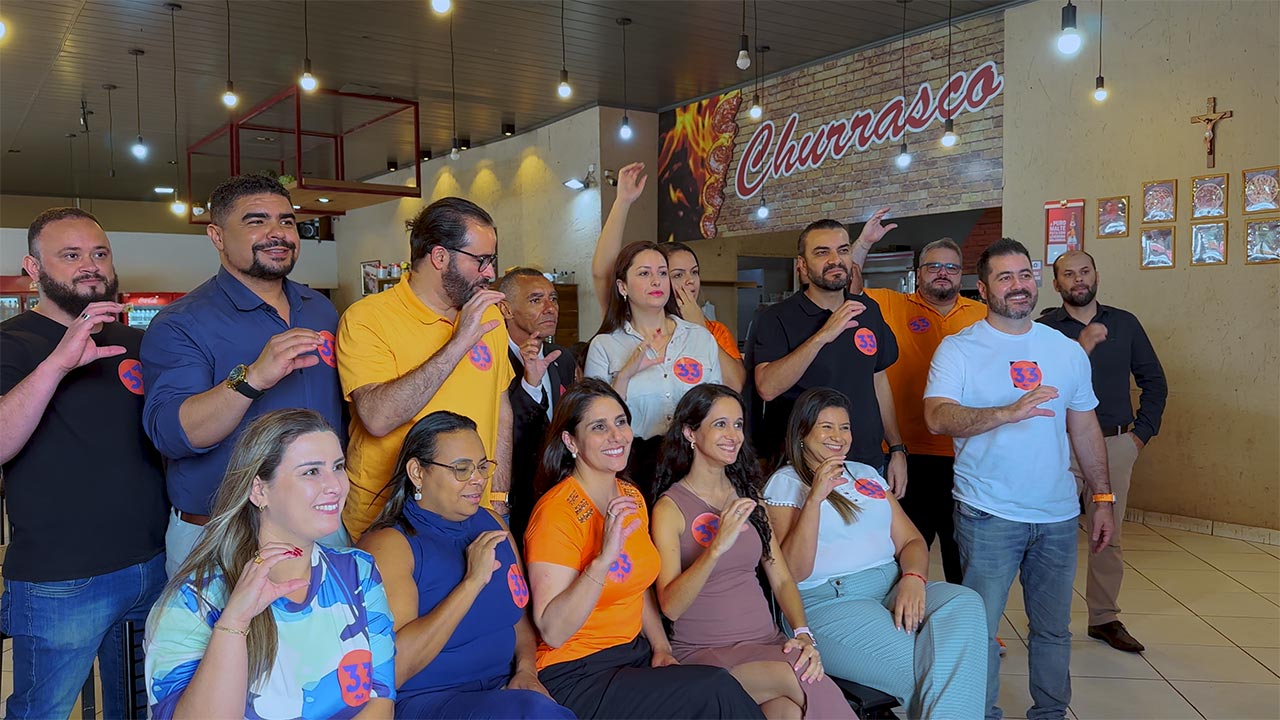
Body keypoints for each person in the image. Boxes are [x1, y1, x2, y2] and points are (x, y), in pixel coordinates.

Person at [923, 238, 1115, 720]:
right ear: (983, 287)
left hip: (1055, 516)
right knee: (980, 629)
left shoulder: (1064, 350)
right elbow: (937, 417)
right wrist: (1007, 411)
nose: (1017, 286)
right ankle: (979, 712)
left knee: (1052, 630)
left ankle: (1050, 713)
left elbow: (1085, 425)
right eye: (1004, 278)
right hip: (987, 514)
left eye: (1024, 275)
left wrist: (1103, 497)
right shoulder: (959, 348)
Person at [0, 208, 169, 719]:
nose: (89, 266)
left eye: (98, 253)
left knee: (142, 707)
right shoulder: (13, 343)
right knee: (41, 712)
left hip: (155, 563)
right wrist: (58, 363)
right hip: (60, 579)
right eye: (70, 255)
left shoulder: (138, 343)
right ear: (33, 268)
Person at [141, 173, 345, 577]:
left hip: (322, 528)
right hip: (223, 535)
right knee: (223, 642)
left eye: (286, 221)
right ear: (217, 236)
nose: (277, 233)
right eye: (255, 221)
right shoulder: (180, 323)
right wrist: (252, 377)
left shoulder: (320, 309)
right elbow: (174, 434)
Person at [524, 378, 764, 719]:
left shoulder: (630, 496)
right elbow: (553, 630)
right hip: (576, 671)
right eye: (599, 427)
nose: (616, 436)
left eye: (620, 422)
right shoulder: (555, 512)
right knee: (715, 689)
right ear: (570, 441)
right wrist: (602, 560)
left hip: (631, 655)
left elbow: (638, 588)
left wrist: (662, 647)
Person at [144, 409, 395, 719]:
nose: (336, 486)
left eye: (338, 467)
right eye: (311, 472)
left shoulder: (360, 572)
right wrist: (233, 623)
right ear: (259, 490)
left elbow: (380, 700)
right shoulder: (190, 601)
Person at [763, 387, 987, 719]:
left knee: (965, 602)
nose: (838, 437)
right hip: (831, 602)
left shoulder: (865, 474)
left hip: (893, 587)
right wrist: (814, 499)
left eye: (845, 427)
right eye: (826, 426)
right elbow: (792, 572)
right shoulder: (785, 483)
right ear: (802, 432)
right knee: (928, 669)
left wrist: (913, 578)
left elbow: (912, 541)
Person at [651, 384, 855, 719]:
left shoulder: (750, 496)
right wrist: (715, 548)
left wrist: (803, 634)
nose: (733, 435)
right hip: (705, 655)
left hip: (767, 642)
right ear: (690, 432)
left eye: (738, 424)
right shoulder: (670, 508)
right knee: (804, 676)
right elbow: (670, 606)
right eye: (720, 424)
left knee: (787, 712)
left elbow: (782, 578)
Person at [357, 411, 574, 719]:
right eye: (462, 469)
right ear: (417, 472)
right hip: (429, 700)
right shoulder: (389, 545)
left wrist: (527, 671)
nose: (478, 479)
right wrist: (471, 583)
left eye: (483, 466)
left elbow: (517, 616)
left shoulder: (493, 522)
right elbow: (394, 669)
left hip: (506, 692)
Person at [337, 197, 514, 540]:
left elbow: (500, 411)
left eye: (492, 260)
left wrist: (497, 498)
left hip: (471, 515)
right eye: (481, 261)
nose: (491, 273)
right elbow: (378, 417)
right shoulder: (367, 319)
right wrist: (459, 342)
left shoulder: (488, 314)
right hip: (389, 523)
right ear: (439, 256)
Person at [1038, 250, 1167, 653]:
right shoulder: (1042, 330)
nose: (1078, 279)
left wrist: (1138, 437)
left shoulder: (1125, 324)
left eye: (1085, 271)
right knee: (1047, 536)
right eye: (1068, 274)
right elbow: (1039, 385)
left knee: (1106, 535)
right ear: (1056, 284)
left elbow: (1155, 383)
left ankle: (1104, 618)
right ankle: (1047, 619)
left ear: (1096, 275)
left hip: (1113, 445)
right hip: (1057, 447)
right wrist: (1084, 344)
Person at [850, 232, 988, 584]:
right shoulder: (891, 305)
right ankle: (902, 621)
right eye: (934, 267)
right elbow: (849, 283)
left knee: (966, 551)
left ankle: (966, 624)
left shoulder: (983, 316)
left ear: (963, 275)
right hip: (905, 455)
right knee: (905, 549)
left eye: (952, 268)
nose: (943, 273)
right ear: (918, 272)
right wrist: (863, 243)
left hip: (967, 453)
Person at [748, 216, 905, 492]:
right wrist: (822, 335)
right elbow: (767, 387)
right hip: (802, 468)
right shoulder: (776, 318)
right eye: (822, 252)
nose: (835, 260)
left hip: (867, 463)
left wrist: (896, 449)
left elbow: (879, 382)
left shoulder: (867, 311)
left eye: (842, 250)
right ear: (802, 265)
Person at [585, 241, 722, 501]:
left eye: (662, 273)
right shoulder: (605, 346)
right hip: (633, 468)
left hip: (696, 463)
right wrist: (625, 374)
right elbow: (594, 421)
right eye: (644, 273)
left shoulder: (699, 338)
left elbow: (716, 405)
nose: (656, 281)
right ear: (622, 287)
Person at [591, 162, 746, 390]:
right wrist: (622, 202)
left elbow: (732, 386)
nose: (689, 281)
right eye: (676, 274)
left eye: (694, 272)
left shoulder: (711, 332)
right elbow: (603, 273)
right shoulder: (621, 329)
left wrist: (699, 325)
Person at [497, 266, 577, 542]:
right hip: (511, 496)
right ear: (506, 310)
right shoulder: (491, 358)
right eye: (535, 300)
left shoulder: (562, 359)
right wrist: (529, 384)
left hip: (558, 491)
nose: (550, 308)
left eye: (553, 298)